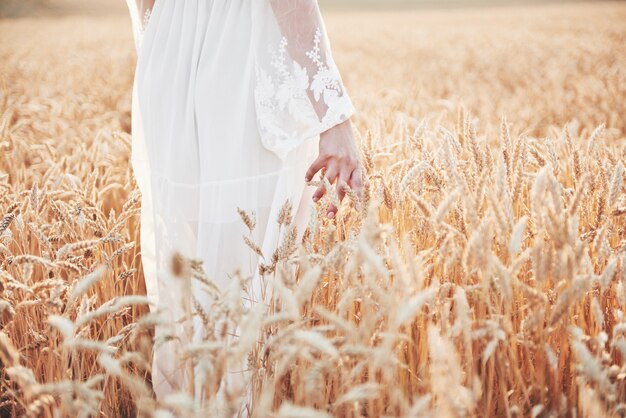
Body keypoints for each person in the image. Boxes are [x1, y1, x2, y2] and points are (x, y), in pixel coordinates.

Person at [124, 0, 364, 412]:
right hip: (237, 55)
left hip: (167, 48)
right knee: (241, 284)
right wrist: (334, 116)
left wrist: (172, 50)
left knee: (187, 280)